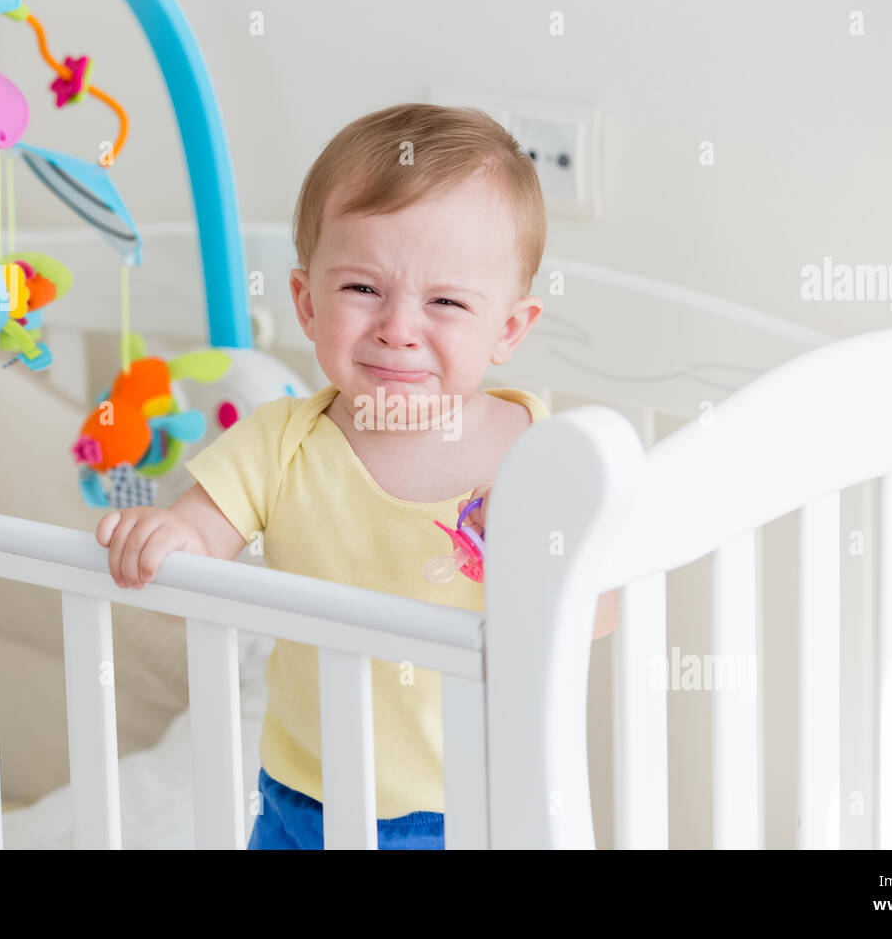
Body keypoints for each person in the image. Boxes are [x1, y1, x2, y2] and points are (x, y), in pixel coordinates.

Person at [96, 103, 620, 849]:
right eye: (362, 290)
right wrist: (162, 533)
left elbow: (599, 617)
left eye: (445, 301)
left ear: (507, 329)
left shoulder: (537, 456)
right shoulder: (281, 441)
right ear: (307, 303)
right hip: (297, 795)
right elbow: (196, 536)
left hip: (464, 805)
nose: (397, 328)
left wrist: (539, 551)